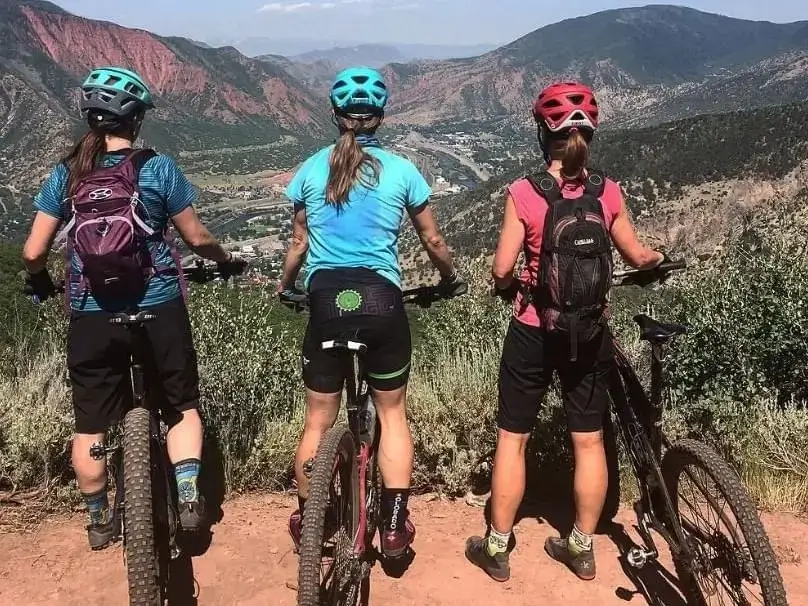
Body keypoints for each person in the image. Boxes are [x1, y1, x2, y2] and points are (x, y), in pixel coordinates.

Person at [21, 66, 247, 550]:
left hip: (91, 312)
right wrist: (226, 261)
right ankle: (188, 494)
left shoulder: (66, 174)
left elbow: (33, 252)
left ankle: (100, 518)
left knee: (91, 423)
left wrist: (41, 282)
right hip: (158, 306)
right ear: (137, 119)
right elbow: (196, 237)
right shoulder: (158, 168)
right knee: (181, 405)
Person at [464, 82, 665, 582]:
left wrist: (516, 283)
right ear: (590, 135)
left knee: (513, 438)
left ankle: (497, 546)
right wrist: (657, 260)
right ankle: (579, 546)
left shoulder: (525, 193)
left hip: (533, 328)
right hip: (591, 331)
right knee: (589, 441)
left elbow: (501, 267)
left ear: (541, 134)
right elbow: (637, 256)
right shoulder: (608, 191)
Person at [277, 66, 465, 558]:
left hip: (324, 302)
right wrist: (449, 279)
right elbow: (434, 240)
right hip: (382, 301)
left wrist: (285, 286)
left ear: (335, 115)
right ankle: (395, 528)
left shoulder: (311, 168)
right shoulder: (402, 170)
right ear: (380, 116)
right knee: (393, 414)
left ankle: (310, 517)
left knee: (318, 422)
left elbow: (299, 242)